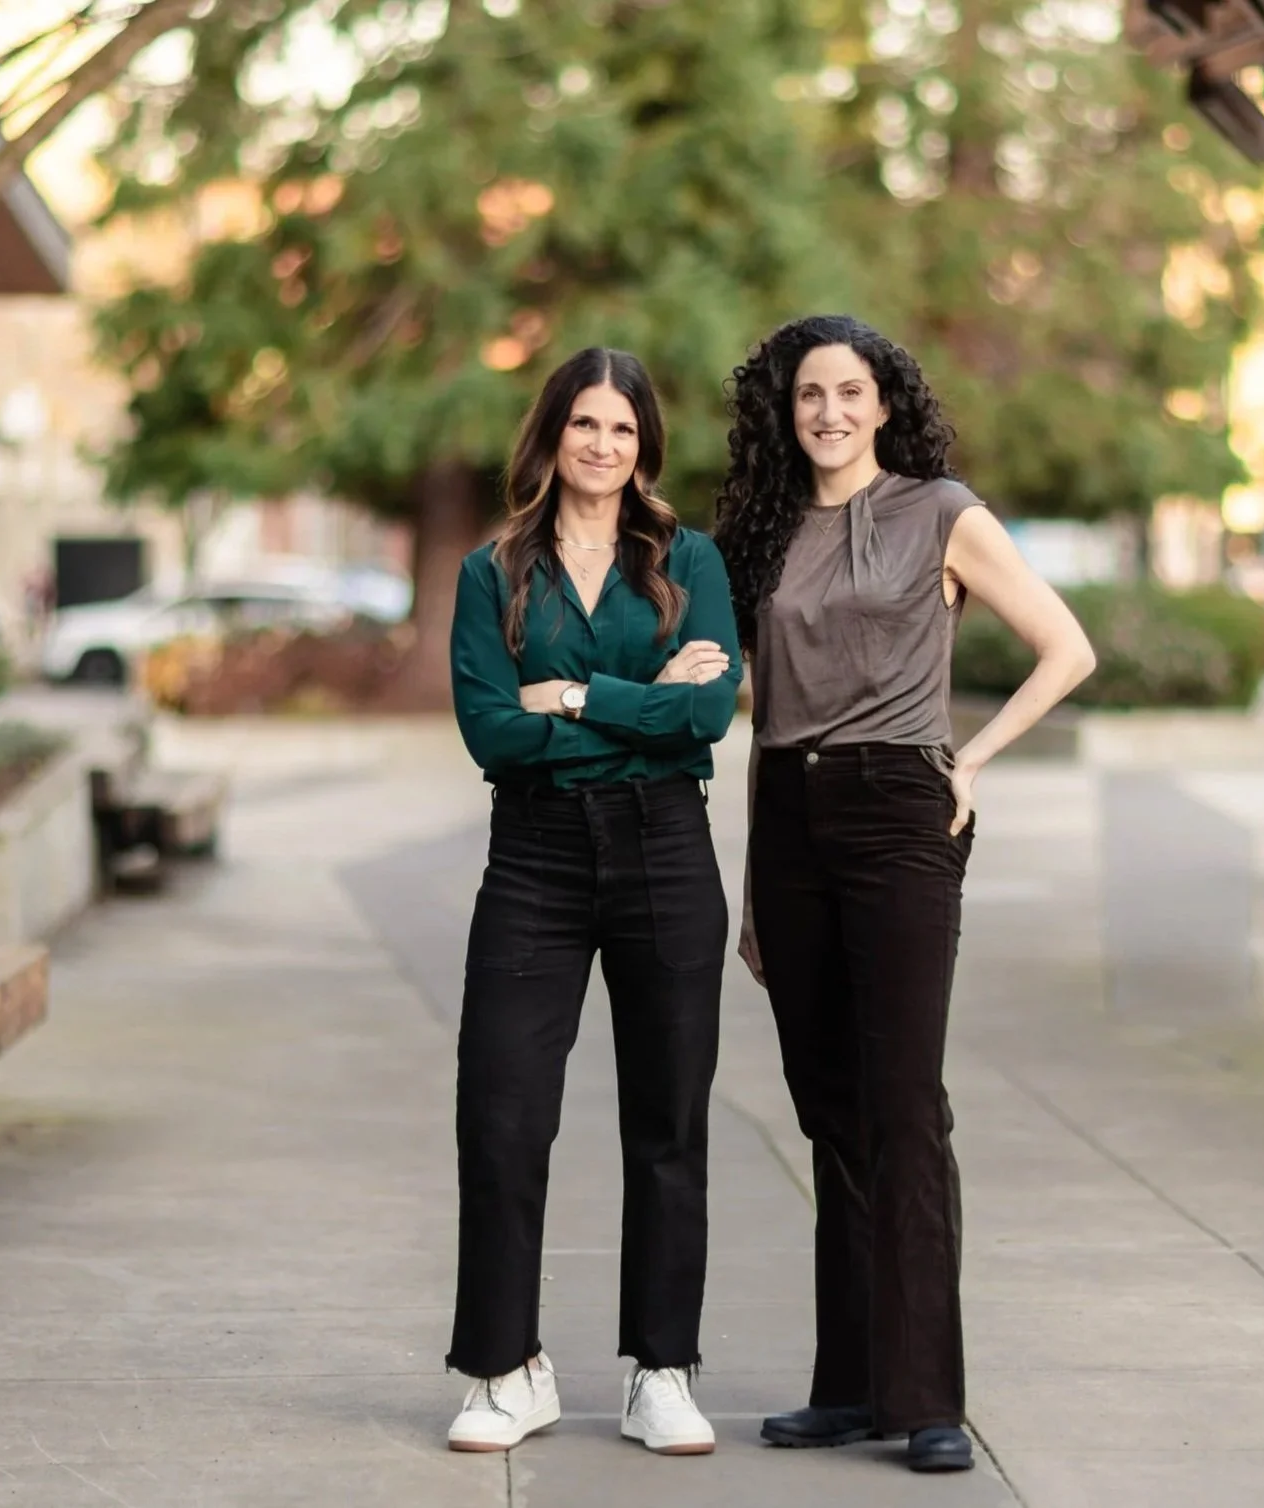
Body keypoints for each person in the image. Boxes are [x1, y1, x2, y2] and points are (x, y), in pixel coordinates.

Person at [715, 314, 1096, 1474]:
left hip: (896, 813)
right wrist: (751, 885)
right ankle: (849, 1385)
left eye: (847, 391)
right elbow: (754, 703)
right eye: (806, 395)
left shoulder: (940, 511)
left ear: (883, 403)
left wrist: (968, 762)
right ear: (784, 413)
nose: (827, 412)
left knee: (901, 1104)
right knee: (828, 1106)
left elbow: (1064, 647)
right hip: (787, 813)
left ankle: (928, 1394)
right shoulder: (761, 531)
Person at [444, 347, 741, 1457]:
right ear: (552, 434)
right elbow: (490, 729)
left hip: (666, 851)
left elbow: (708, 718)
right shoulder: (493, 571)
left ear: (643, 443)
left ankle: (660, 1368)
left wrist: (571, 692)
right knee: (502, 1111)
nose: (601, 445)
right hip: (533, 861)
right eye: (583, 424)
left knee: (667, 1117)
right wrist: (640, 704)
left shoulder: (690, 561)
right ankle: (503, 1367)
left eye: (621, 427)